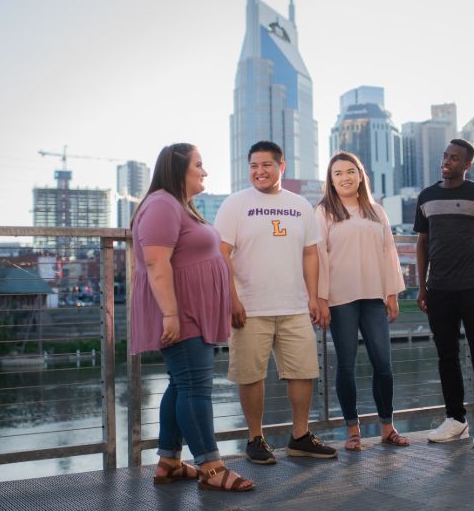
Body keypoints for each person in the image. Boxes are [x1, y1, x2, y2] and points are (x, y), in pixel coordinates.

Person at [130, 143, 254, 492]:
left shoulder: (178, 205)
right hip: (180, 310)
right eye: (199, 165)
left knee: (181, 383)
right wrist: (171, 314)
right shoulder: (161, 205)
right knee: (196, 387)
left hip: (189, 310)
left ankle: (169, 462)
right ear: (178, 169)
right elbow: (156, 263)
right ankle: (211, 467)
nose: (205, 171)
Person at [216, 140, 337, 464]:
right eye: (253, 166)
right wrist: (232, 299)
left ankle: (299, 437)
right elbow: (221, 253)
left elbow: (311, 253)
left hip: (294, 305)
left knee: (303, 372)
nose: (259, 171)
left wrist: (313, 297)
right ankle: (255, 438)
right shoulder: (235, 204)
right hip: (250, 307)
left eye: (266, 165)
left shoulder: (300, 205)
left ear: (281, 167)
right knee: (250, 374)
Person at [415, 139, 474, 448]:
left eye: (455, 158)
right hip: (439, 289)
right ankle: (455, 420)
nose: (447, 161)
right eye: (445, 156)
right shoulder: (426, 197)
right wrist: (422, 285)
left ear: (467, 165)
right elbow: (422, 243)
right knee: (447, 356)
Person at [315, 152, 409, 451]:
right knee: (346, 364)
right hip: (340, 299)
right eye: (338, 173)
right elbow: (317, 256)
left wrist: (392, 293)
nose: (345, 177)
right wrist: (321, 299)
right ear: (331, 181)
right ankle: (353, 430)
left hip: (373, 297)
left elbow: (389, 252)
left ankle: (387, 426)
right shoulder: (324, 212)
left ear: (360, 175)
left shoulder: (376, 211)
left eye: (350, 171)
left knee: (383, 364)